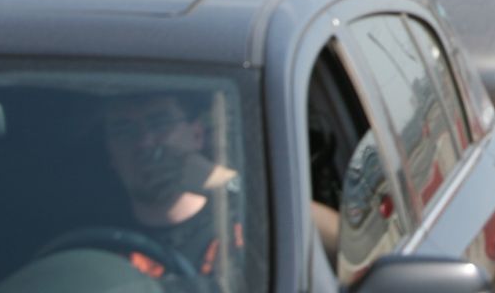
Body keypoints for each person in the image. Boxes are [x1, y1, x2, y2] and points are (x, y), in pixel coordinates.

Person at [101, 90, 342, 282]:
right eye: (125, 131)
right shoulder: (99, 245)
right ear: (111, 154)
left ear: (197, 135)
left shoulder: (255, 224)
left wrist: (225, 183)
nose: (145, 143)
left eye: (160, 123)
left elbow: (344, 245)